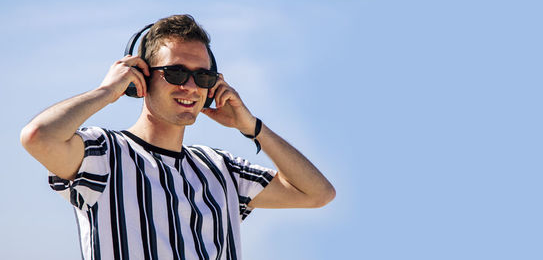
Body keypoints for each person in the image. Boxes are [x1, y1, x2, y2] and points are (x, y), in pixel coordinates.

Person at [20, 14, 335, 260]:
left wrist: (252, 126)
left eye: (203, 76)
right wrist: (106, 91)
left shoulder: (221, 169)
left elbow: (318, 193)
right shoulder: (104, 155)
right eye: (175, 72)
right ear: (141, 77)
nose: (190, 86)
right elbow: (38, 137)